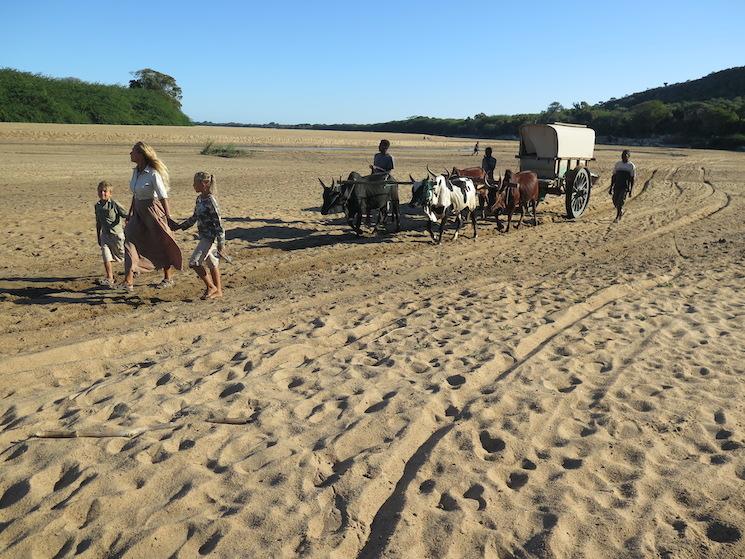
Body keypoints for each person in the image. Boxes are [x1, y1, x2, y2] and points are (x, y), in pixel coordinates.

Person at [121, 141, 182, 292]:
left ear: (141, 154)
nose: (130, 153)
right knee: (129, 241)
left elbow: (163, 196)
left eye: (133, 151)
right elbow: (135, 194)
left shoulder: (153, 173)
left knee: (161, 241)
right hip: (138, 210)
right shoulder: (135, 172)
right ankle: (128, 279)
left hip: (153, 210)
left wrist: (167, 217)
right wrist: (129, 214)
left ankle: (167, 277)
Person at [172, 172, 226, 300]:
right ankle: (218, 291)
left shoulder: (211, 201)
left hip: (210, 238)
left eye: (195, 183)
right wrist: (180, 226)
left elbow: (219, 223)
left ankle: (211, 287)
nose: (193, 185)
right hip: (204, 236)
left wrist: (221, 243)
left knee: (194, 263)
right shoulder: (200, 199)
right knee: (212, 263)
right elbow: (195, 217)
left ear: (204, 184)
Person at [94, 181, 128, 287]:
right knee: (106, 255)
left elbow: (126, 215)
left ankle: (134, 269)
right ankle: (110, 277)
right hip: (105, 235)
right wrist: (98, 236)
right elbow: (98, 222)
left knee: (123, 256)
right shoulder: (97, 206)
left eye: (105, 191)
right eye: (100, 191)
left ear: (110, 193)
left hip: (117, 235)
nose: (103, 193)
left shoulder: (114, 204)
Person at [610, 149, 636, 222]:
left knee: (620, 202)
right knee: (614, 200)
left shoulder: (631, 166)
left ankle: (617, 217)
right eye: (622, 155)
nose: (623, 157)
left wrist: (631, 190)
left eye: (625, 156)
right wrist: (611, 187)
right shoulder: (618, 164)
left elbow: (632, 179)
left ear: (628, 157)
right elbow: (614, 176)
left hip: (625, 186)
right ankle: (620, 211)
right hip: (617, 185)